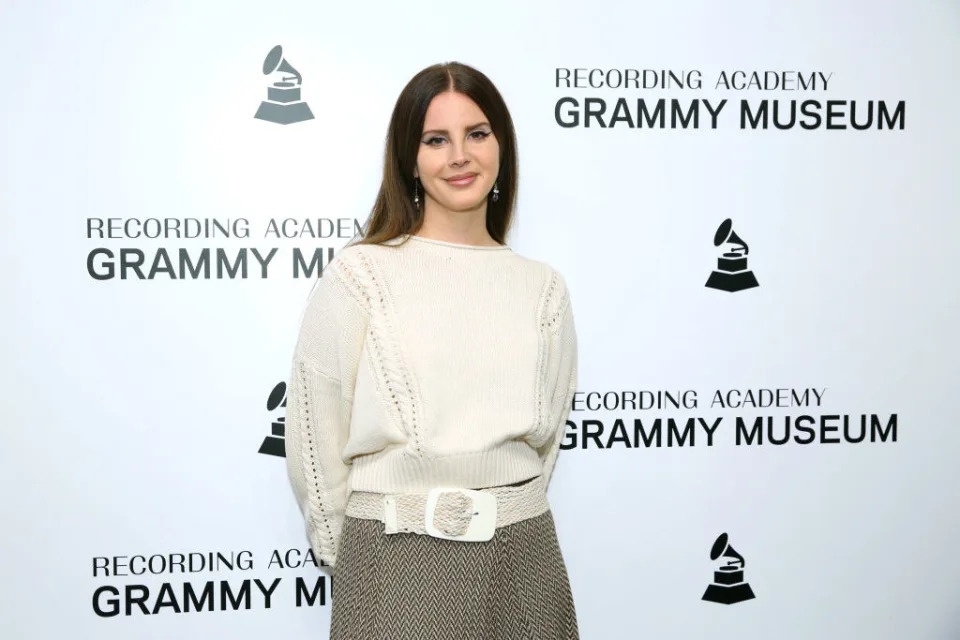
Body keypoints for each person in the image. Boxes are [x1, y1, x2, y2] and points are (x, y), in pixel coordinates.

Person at [284, 61, 580, 639]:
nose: (459, 156)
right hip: (390, 560)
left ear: (502, 147)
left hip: (524, 562)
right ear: (409, 158)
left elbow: (545, 444)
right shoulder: (360, 274)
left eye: (477, 133)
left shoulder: (543, 287)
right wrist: (355, 554)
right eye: (435, 139)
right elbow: (314, 432)